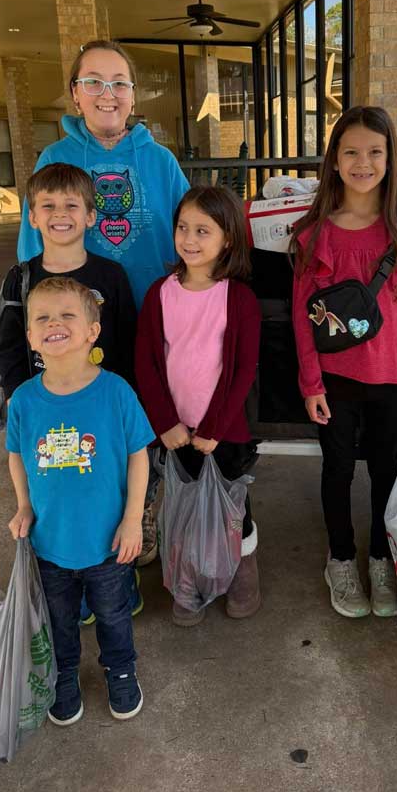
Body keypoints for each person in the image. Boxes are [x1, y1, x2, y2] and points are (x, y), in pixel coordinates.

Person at [17, 39, 189, 567]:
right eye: (93, 81)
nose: (106, 93)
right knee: (87, 435)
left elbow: (188, 235)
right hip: (73, 332)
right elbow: (33, 251)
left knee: (141, 427)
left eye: (118, 82)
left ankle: (142, 519)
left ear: (134, 96)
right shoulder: (56, 159)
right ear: (75, 93)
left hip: (146, 327)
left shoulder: (158, 161)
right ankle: (93, 536)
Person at [290, 106, 397, 621]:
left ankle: (380, 557)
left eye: (374, 152)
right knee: (336, 471)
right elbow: (302, 319)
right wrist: (311, 383)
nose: (362, 162)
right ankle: (339, 558)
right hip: (334, 382)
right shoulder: (313, 235)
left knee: (385, 471)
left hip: (391, 382)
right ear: (333, 160)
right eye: (350, 151)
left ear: (390, 159)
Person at [7, 276, 154, 725]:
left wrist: (133, 520)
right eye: (43, 317)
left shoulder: (116, 392)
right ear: (31, 335)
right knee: (59, 619)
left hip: (108, 541)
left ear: (92, 331)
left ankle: (120, 668)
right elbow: (16, 455)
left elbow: (138, 456)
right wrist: (24, 506)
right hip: (50, 543)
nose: (55, 323)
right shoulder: (24, 401)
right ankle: (64, 674)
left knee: (113, 614)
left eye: (68, 314)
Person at [135, 186, 262, 627]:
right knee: (184, 505)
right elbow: (145, 363)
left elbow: (244, 368)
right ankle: (188, 576)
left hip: (226, 431)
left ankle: (242, 570)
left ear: (228, 238)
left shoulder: (239, 299)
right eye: (183, 228)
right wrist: (166, 423)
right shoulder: (160, 294)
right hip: (177, 430)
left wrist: (215, 427)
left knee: (234, 508)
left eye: (202, 230)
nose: (189, 238)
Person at [0, 163, 136, 398]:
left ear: (90, 216)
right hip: (43, 402)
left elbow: (129, 342)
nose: (60, 214)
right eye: (48, 206)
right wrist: (15, 396)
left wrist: (128, 397)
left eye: (71, 205)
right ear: (32, 217)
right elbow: (10, 348)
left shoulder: (112, 275)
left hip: (104, 400)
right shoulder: (21, 279)